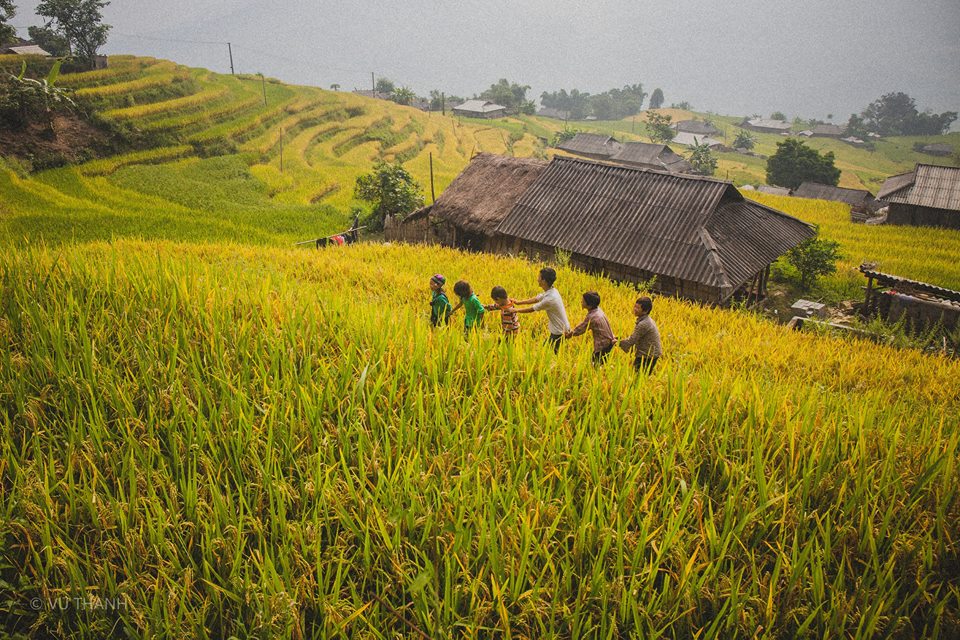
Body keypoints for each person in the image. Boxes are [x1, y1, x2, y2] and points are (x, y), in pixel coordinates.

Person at [514, 267, 571, 352]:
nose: (537, 279)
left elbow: (532, 309)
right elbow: (536, 298)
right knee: (549, 351)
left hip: (560, 331)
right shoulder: (551, 290)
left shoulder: (551, 298)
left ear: (544, 281)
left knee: (545, 352)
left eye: (539, 277)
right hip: (560, 328)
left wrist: (515, 310)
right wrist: (518, 302)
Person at [565, 291, 616, 365]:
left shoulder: (592, 317)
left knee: (596, 365)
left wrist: (570, 334)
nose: (581, 302)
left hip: (603, 345)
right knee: (600, 363)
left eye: (583, 301)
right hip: (609, 341)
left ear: (589, 305)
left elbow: (581, 328)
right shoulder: (598, 310)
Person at [618, 295, 662, 373]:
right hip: (651, 353)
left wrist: (617, 342)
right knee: (639, 375)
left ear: (645, 311)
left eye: (638, 308)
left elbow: (631, 341)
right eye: (635, 306)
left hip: (648, 355)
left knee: (638, 376)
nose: (635, 309)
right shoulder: (647, 320)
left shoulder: (644, 324)